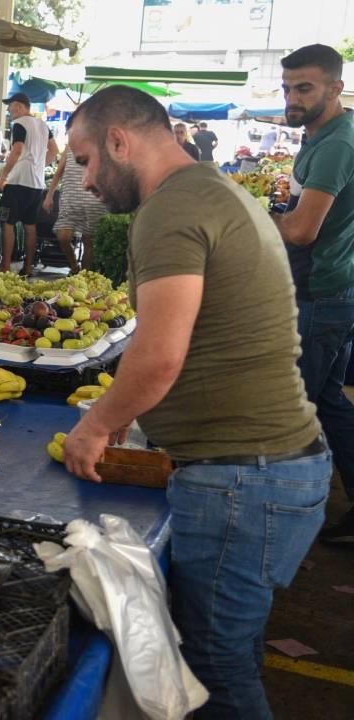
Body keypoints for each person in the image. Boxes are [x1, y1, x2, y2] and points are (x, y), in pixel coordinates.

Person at [61, 85, 327, 719]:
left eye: (86, 159)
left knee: (216, 668)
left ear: (119, 141)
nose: (86, 180)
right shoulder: (211, 189)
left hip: (243, 478)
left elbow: (158, 354)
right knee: (225, 654)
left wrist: (96, 426)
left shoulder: (171, 209)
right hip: (269, 469)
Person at [271, 44, 354, 545]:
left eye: (304, 87)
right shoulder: (323, 136)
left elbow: (302, 231)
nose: (292, 98)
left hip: (323, 292)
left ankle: (286, 516)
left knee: (293, 405)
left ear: (335, 88)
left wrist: (255, 218)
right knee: (327, 399)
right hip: (331, 286)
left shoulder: (337, 144)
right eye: (287, 88)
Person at [0, 92, 57, 276]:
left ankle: (5, 266)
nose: (8, 109)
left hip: (18, 181)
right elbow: (54, 150)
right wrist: (39, 165)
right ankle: (28, 267)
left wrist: (3, 176)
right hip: (36, 184)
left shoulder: (20, 123)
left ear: (21, 106)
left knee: (7, 222)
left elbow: (17, 150)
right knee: (30, 225)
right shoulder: (43, 125)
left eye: (11, 105)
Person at [43, 140, 108, 273]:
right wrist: (49, 195)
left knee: (88, 241)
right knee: (63, 237)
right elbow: (59, 172)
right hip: (69, 199)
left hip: (91, 199)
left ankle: (84, 276)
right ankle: (74, 266)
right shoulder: (71, 146)